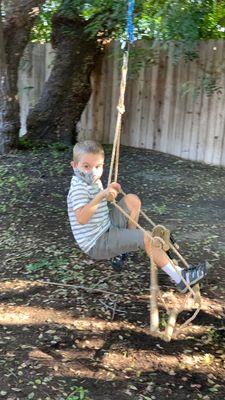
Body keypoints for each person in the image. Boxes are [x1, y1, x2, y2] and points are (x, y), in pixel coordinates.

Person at [67, 140, 210, 293]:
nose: (93, 172)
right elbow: (82, 218)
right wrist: (102, 195)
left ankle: (123, 250)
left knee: (132, 200)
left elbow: (100, 202)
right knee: (147, 238)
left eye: (98, 167)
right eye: (86, 166)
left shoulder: (91, 180)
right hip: (96, 242)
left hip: (105, 226)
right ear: (75, 165)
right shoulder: (79, 188)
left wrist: (109, 191)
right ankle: (180, 278)